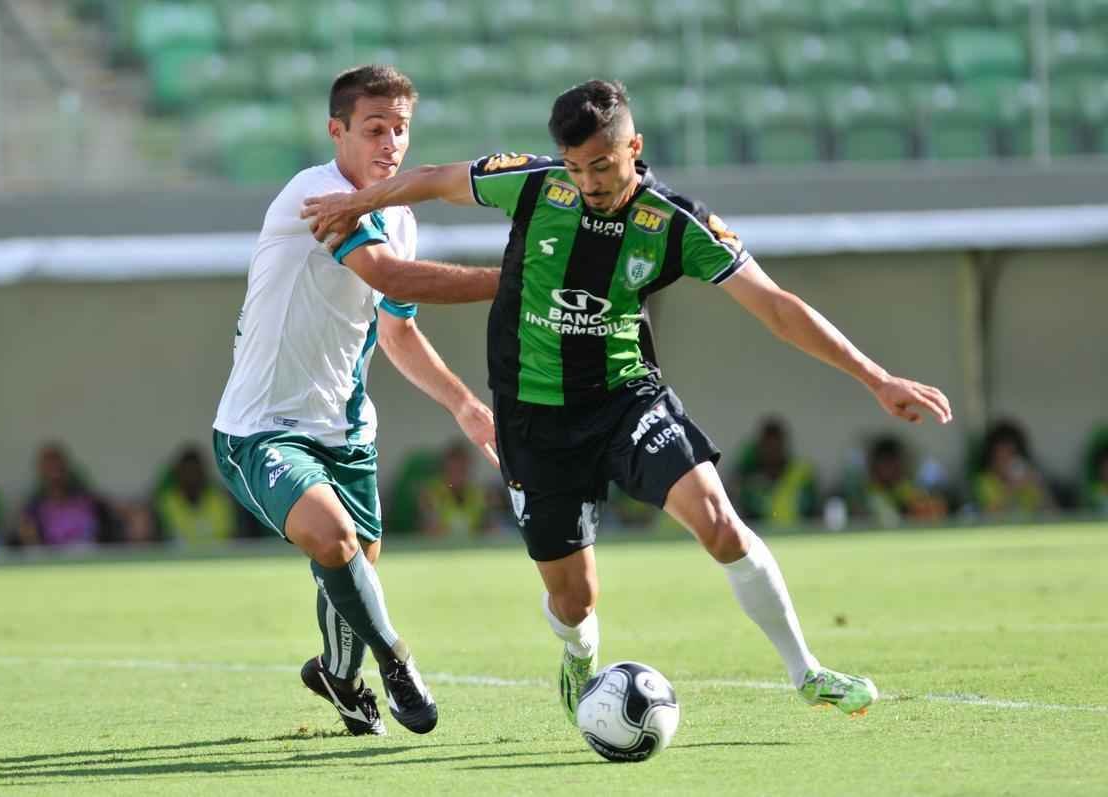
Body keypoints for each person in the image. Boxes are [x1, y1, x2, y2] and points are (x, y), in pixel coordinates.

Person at [303, 79, 952, 723]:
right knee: (575, 599)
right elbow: (439, 178)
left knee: (720, 522)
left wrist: (877, 377)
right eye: (578, 167)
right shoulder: (536, 182)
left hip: (625, 398)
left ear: (634, 147)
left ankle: (807, 672)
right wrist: (364, 201)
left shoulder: (673, 222)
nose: (589, 182)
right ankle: (580, 654)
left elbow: (777, 308)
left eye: (604, 166)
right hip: (534, 420)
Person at [211, 65, 501, 738]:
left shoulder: (397, 217)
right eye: (374, 129)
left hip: (346, 432)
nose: (390, 144)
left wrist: (462, 405)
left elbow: (397, 329)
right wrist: (513, 278)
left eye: (401, 129)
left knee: (351, 569)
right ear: (336, 130)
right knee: (332, 538)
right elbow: (388, 275)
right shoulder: (316, 194)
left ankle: (338, 678)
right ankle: (397, 660)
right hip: (262, 428)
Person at [16, 443, 116, 548]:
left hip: (90, 551)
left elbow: (112, 510)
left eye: (57, 465)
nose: (54, 471)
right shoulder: (34, 504)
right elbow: (25, 529)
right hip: (54, 556)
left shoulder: (86, 496)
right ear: (41, 471)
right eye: (49, 466)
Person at [734, 417, 819, 528]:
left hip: (800, 536)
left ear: (783, 445)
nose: (772, 452)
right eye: (767, 446)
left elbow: (815, 511)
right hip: (763, 537)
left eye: (776, 446)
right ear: (760, 448)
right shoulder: (752, 482)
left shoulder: (802, 473)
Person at [852, 435, 948, 527]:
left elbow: (929, 512)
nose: (887, 470)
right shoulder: (865, 491)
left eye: (891, 464)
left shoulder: (910, 490)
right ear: (874, 465)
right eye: (883, 464)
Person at [153, 445, 239, 545]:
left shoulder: (221, 500)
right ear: (178, 474)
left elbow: (233, 538)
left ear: (203, 473)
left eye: (195, 471)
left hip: (218, 559)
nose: (191, 477)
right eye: (187, 472)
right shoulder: (166, 502)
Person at [972, 419, 1052, 518]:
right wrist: (1012, 487)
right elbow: (988, 514)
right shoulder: (984, 482)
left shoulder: (1028, 478)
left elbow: (1051, 512)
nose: (1006, 461)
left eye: (1010, 454)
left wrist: (1040, 487)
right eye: (1001, 456)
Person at [418, 440, 493, 537]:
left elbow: (488, 528)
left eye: (462, 470)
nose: (457, 476)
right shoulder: (429, 493)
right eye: (453, 470)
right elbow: (425, 530)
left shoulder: (479, 494)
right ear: (444, 469)